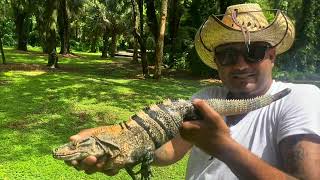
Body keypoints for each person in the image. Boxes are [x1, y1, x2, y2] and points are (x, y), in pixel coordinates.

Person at [66, 3, 320, 180]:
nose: (241, 64)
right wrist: (122, 148)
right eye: (228, 55)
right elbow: (169, 151)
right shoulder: (208, 98)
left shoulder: (299, 98)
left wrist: (223, 146)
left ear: (272, 55)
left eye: (253, 53)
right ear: (217, 61)